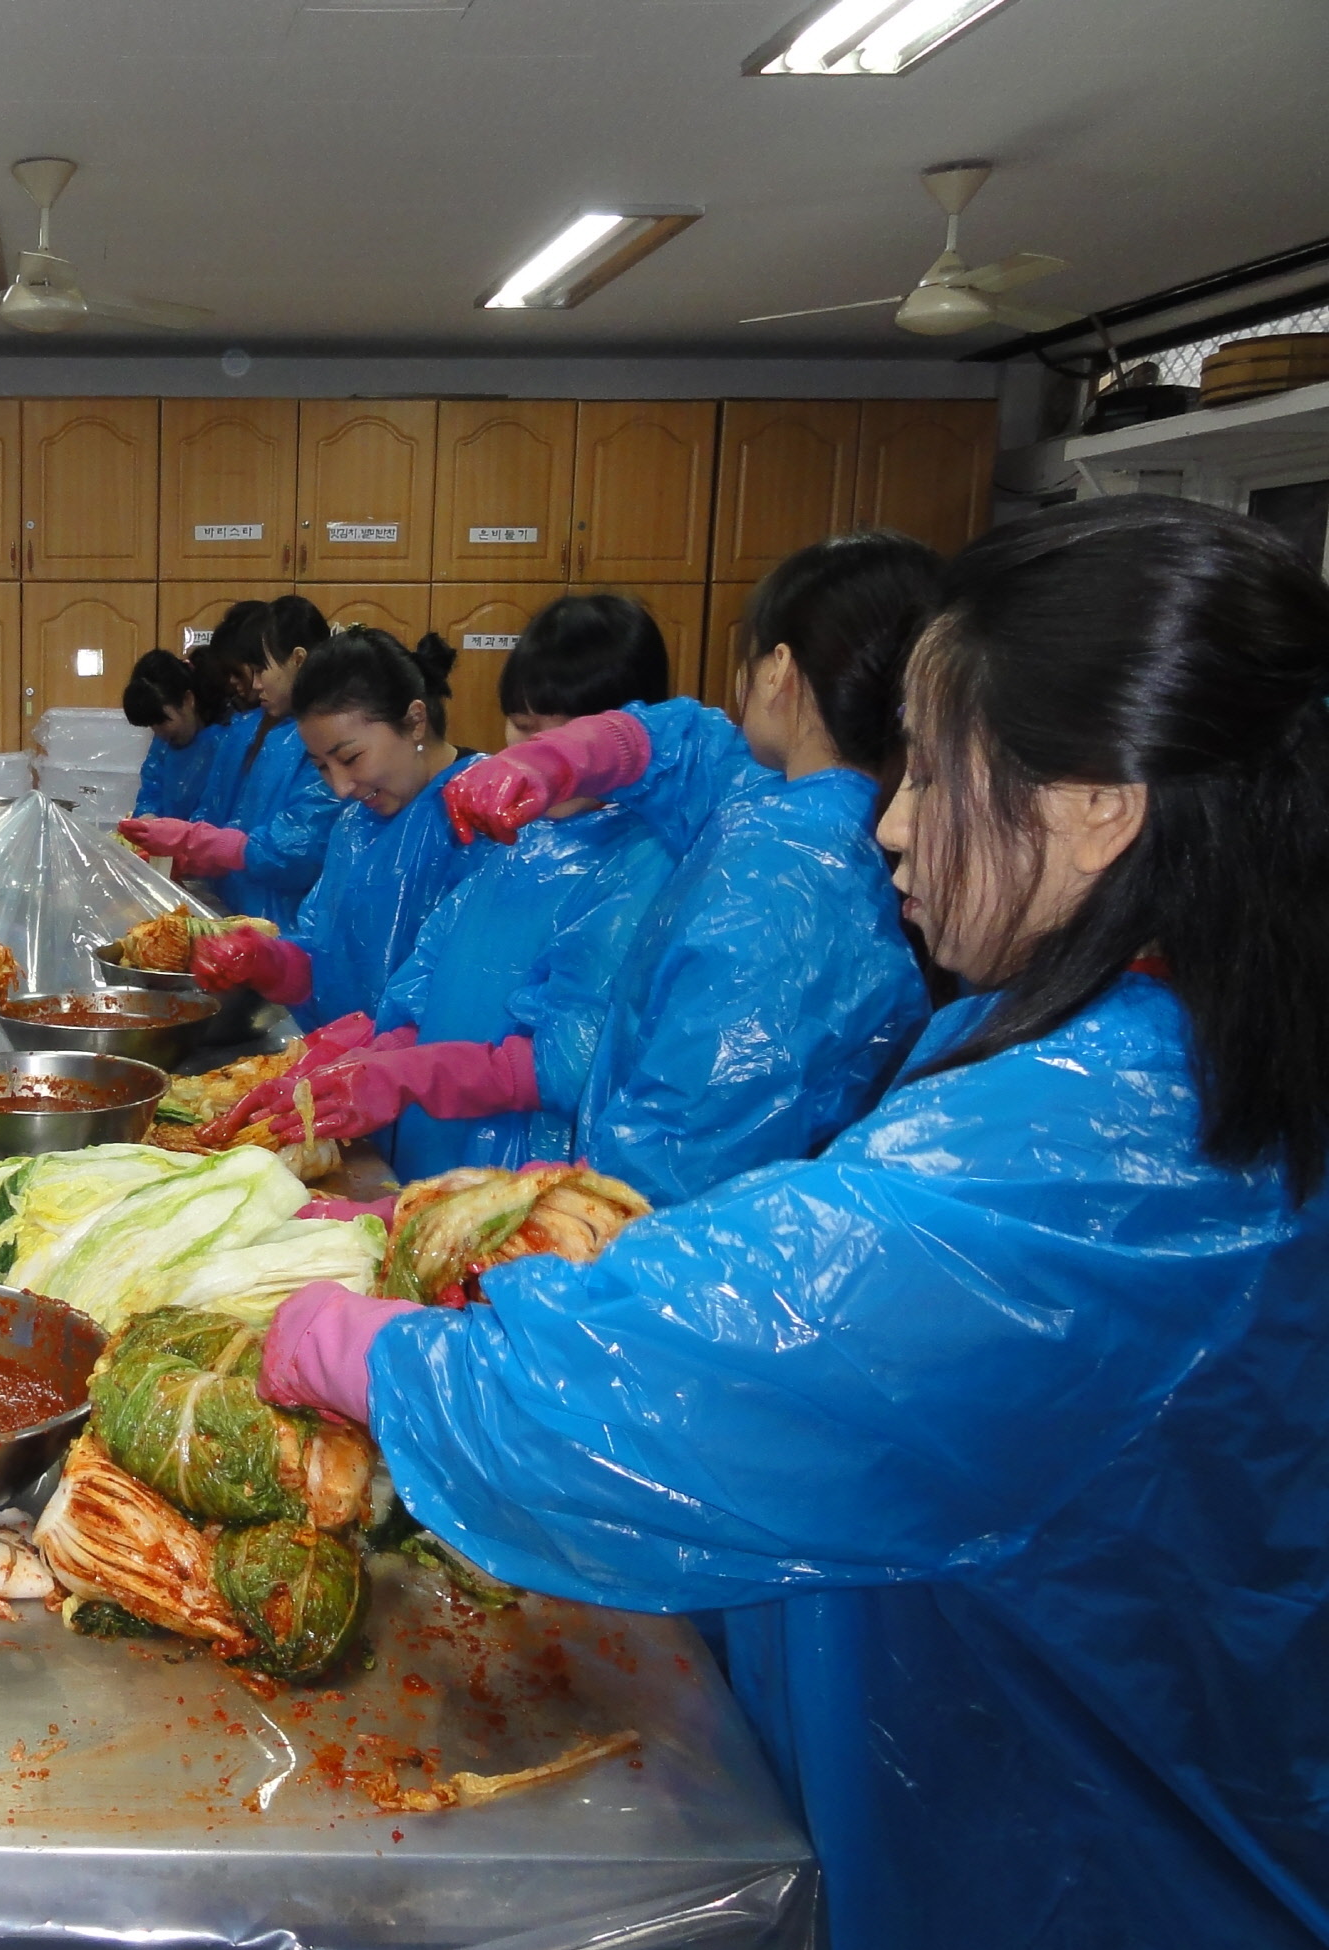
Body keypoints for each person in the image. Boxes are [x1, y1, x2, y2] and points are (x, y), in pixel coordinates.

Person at [260, 496, 1329, 1950]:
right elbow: (718, 750)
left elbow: (668, 1376)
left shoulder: (1097, 1143)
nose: (889, 822)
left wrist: (370, 1355)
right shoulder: (1194, 1020)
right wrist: (624, 742)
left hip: (1058, 1848)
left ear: (1100, 805)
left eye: (935, 776)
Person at [421, 534, 939, 1205]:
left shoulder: (785, 882)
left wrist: (541, 1219)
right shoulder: (778, 798)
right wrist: (562, 755)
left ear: (777, 670)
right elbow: (682, 744)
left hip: (654, 1255)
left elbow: (676, 1155)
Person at [223, 597, 677, 1174]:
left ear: (620, 736)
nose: (530, 758)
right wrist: (357, 1067)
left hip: (525, 1174)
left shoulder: (645, 859)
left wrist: (412, 1076)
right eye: (520, 727)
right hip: (431, 1152)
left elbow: (570, 1063)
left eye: (550, 737)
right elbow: (422, 982)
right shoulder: (520, 833)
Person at [191, 629, 470, 1037]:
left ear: (414, 721)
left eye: (350, 758)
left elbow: (470, 1004)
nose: (340, 788)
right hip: (346, 1076)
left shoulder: (479, 823)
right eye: (322, 766)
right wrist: (268, 962)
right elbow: (323, 959)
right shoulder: (354, 826)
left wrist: (392, 1057)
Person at [119, 595, 342, 926]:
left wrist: (195, 841)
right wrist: (193, 855)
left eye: (261, 669)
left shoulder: (321, 739)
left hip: (290, 926)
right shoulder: (254, 730)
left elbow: (297, 852)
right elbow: (230, 819)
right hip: (239, 910)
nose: (253, 685)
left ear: (297, 659)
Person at [124, 645, 231, 821]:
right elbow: (152, 790)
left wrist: (185, 837)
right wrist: (147, 816)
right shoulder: (162, 746)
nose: (159, 734)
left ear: (188, 700)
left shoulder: (227, 740)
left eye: (162, 721)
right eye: (152, 725)